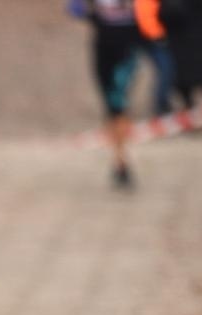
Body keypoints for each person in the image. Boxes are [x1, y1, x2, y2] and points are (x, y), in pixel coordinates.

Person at [72, 0, 142, 190]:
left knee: (118, 102)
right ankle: (119, 158)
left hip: (127, 46)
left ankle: (121, 161)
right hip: (103, 46)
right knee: (110, 105)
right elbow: (75, 8)